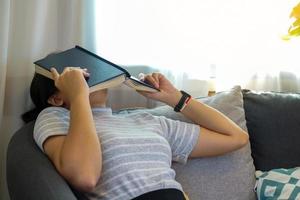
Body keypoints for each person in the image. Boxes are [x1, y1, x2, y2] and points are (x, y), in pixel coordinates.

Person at [23, 67, 249, 200]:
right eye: (76, 74)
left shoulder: (146, 120)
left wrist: (174, 98)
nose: (87, 74)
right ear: (55, 98)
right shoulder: (56, 117)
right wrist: (79, 96)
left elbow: (236, 137)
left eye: (88, 70)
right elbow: (85, 177)